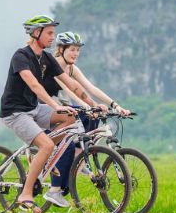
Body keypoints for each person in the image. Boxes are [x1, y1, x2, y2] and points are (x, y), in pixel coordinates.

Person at [0, 15, 105, 213]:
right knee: (47, 144)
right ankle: (26, 194)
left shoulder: (46, 57)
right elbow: (34, 85)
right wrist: (56, 106)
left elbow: (71, 82)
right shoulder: (21, 56)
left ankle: (46, 157)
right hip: (15, 112)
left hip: (34, 109)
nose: (52, 37)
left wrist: (92, 105)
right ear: (36, 33)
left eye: (53, 33)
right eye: (49, 33)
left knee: (72, 118)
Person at [44, 31, 131, 199]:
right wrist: (87, 106)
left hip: (65, 109)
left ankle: (80, 156)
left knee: (94, 116)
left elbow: (90, 88)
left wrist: (115, 105)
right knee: (69, 140)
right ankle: (56, 188)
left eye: (78, 50)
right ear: (61, 49)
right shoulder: (54, 65)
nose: (76, 54)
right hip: (47, 109)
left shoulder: (72, 68)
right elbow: (72, 90)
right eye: (72, 50)